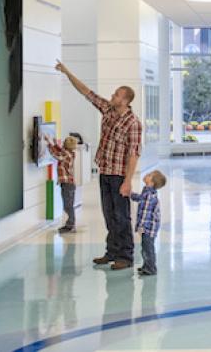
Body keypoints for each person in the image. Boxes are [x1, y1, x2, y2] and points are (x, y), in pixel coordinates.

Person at [55, 59, 142, 271]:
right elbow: (86, 92)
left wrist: (128, 182)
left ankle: (126, 256)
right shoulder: (108, 110)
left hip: (120, 176)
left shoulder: (133, 123)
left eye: (116, 95)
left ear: (125, 100)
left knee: (122, 217)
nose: (112, 96)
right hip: (105, 172)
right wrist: (67, 72)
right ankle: (112, 252)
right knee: (109, 215)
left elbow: (134, 154)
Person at [130, 170, 165, 276]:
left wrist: (141, 227)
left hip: (148, 227)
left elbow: (146, 212)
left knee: (147, 248)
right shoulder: (147, 191)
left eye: (149, 175)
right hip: (149, 226)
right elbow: (140, 198)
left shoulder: (149, 195)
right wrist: (131, 195)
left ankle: (151, 268)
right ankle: (147, 266)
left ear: (152, 182)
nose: (146, 175)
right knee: (145, 247)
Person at [45, 135, 79, 233]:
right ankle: (70, 224)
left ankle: (71, 225)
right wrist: (55, 144)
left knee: (68, 206)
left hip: (67, 184)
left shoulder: (66, 155)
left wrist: (49, 143)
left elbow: (56, 155)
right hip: (69, 183)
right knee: (68, 205)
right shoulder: (70, 153)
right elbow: (60, 151)